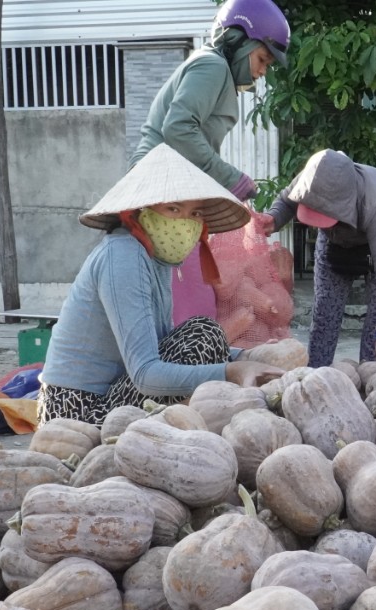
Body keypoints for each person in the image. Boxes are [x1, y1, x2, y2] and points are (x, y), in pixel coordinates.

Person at [38, 145, 285, 425]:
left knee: (200, 336)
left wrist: (249, 355)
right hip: (74, 411)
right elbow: (146, 374)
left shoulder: (156, 259)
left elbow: (162, 346)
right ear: (140, 211)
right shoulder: (122, 255)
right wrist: (231, 371)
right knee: (203, 334)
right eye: (173, 208)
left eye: (195, 214)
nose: (186, 223)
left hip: (111, 395)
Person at [130, 0, 291, 325]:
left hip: (175, 191)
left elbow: (192, 141)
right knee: (183, 299)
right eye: (262, 60)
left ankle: (185, 365)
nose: (261, 73)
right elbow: (177, 128)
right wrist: (227, 175)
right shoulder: (212, 66)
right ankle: (171, 368)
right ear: (238, 40)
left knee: (190, 295)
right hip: (157, 190)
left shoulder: (215, 69)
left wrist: (223, 184)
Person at [260, 149, 376, 370]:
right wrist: (273, 218)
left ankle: (370, 376)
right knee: (324, 316)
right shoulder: (313, 179)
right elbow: (287, 200)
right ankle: (315, 374)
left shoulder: (375, 206)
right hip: (335, 243)